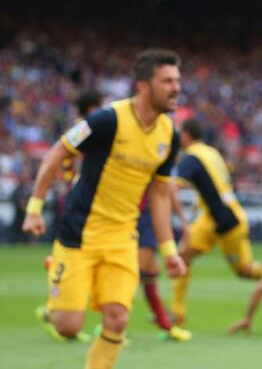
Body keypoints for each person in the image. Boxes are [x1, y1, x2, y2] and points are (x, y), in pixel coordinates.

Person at [23, 49, 187, 369]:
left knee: (118, 318)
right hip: (81, 231)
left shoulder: (170, 135)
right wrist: (34, 208)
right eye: (167, 81)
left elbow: (159, 194)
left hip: (123, 235)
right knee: (67, 326)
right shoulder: (107, 119)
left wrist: (169, 250)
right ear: (143, 86)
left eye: (177, 80)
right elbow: (59, 151)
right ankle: (57, 265)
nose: (176, 88)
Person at [170, 117, 262, 324]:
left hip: (227, 221)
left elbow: (172, 187)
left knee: (245, 271)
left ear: (186, 135)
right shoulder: (212, 152)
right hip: (210, 218)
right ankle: (177, 313)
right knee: (181, 257)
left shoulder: (192, 158)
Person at [37, 88, 103, 343]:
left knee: (79, 252)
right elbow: (62, 156)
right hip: (80, 199)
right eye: (100, 105)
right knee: (77, 250)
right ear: (91, 107)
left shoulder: (93, 127)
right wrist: (70, 182)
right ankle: (55, 307)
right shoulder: (85, 128)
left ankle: (58, 301)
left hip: (85, 197)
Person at [137, 190, 192, 341]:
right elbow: (168, 190)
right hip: (142, 216)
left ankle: (166, 325)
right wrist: (183, 220)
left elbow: (167, 191)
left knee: (149, 274)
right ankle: (110, 324)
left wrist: (182, 220)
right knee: (138, 274)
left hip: (147, 217)